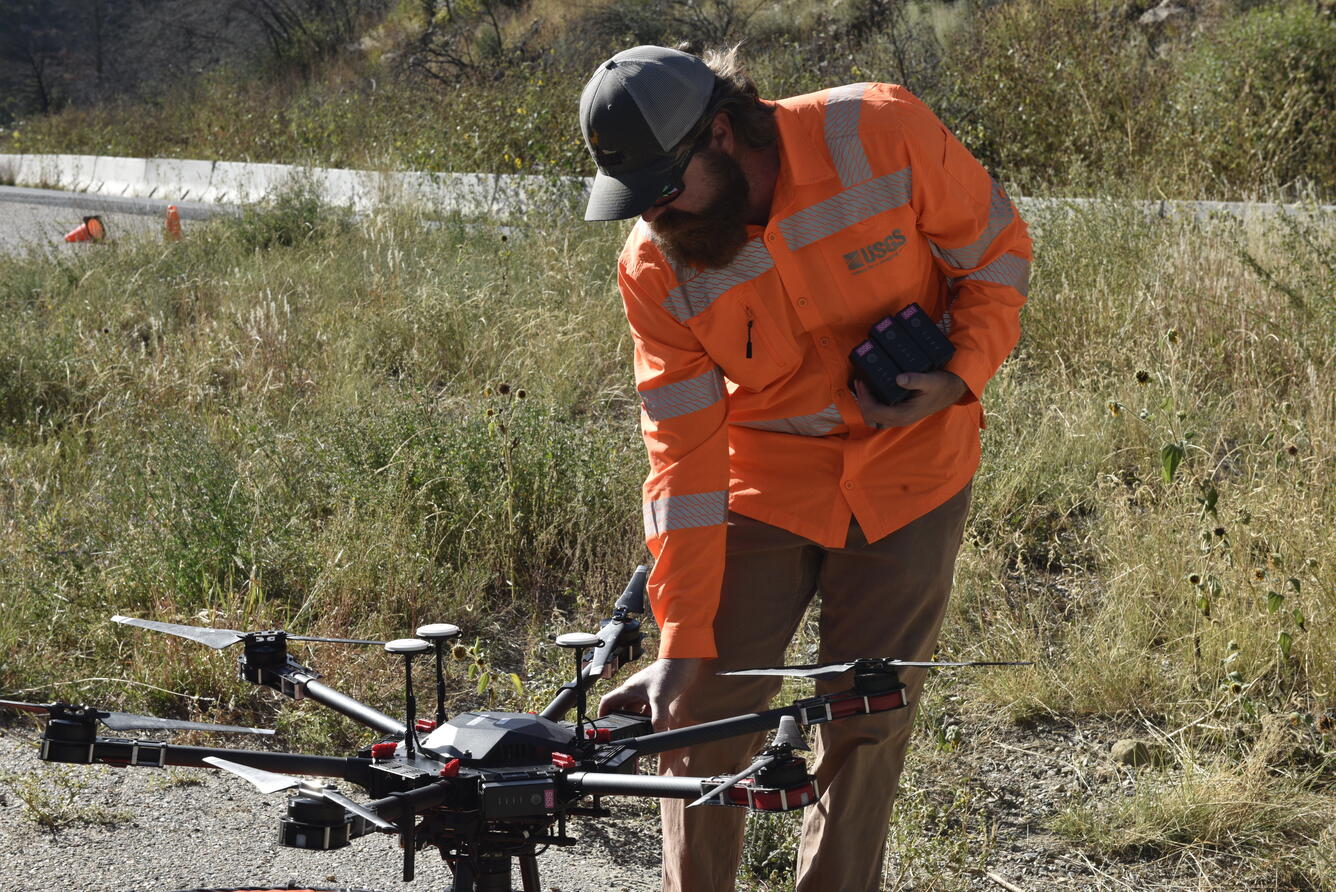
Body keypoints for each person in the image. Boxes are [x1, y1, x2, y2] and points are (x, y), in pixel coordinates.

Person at [579, 44, 1030, 891]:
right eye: (639, 204)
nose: (657, 220)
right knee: (698, 713)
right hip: (765, 485)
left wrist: (958, 375)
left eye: (666, 191)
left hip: (912, 472)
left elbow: (998, 254)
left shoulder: (880, 129)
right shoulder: (655, 262)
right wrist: (680, 638)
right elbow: (681, 454)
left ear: (721, 131)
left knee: (866, 723)